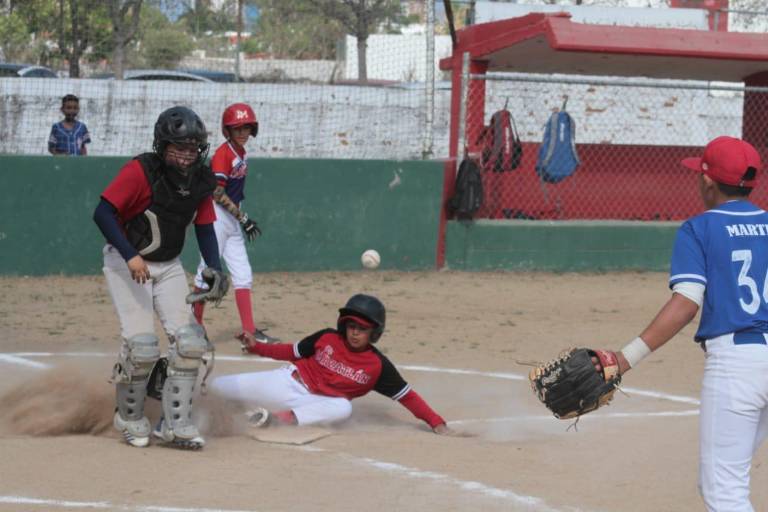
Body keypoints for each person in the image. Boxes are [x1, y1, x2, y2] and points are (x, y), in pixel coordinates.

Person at [600, 136, 768, 511]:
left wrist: (623, 359)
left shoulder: (699, 229)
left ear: (708, 182)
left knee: (724, 491)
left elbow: (686, 304)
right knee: (726, 479)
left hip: (737, 367)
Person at [93, 106, 227, 450]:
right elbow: (103, 213)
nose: (186, 156)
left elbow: (204, 226)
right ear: (162, 145)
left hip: (167, 265)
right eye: (178, 148)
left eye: (193, 149)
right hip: (128, 262)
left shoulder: (200, 178)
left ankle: (174, 423)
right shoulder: (142, 170)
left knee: (190, 342)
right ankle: (129, 417)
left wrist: (214, 266)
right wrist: (131, 255)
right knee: (142, 346)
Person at [210, 294, 458, 435]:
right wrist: (256, 347)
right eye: (351, 326)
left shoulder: (377, 366)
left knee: (343, 408)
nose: (355, 333)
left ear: (374, 333)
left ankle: (275, 420)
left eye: (362, 329)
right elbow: (289, 351)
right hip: (287, 382)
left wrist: (436, 422)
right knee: (216, 387)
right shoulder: (327, 337)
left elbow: (407, 396)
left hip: (313, 403)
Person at [191, 103, 278, 345]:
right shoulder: (224, 154)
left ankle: (249, 332)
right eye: (237, 128)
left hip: (231, 220)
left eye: (247, 127)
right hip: (216, 219)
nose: (242, 132)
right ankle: (194, 330)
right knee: (206, 274)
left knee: (243, 276)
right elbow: (217, 193)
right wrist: (244, 218)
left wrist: (239, 217)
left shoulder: (240, 152)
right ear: (227, 130)